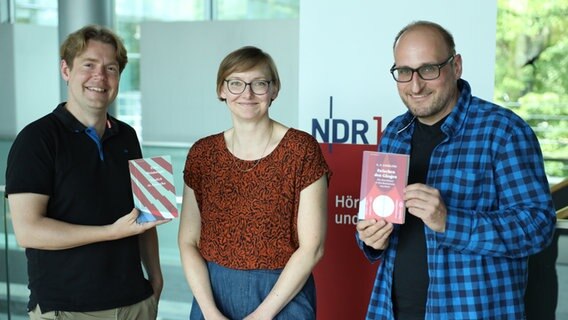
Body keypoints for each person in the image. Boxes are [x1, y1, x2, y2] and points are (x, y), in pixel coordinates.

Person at [356, 20, 556, 319]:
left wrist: (449, 221)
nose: (415, 85)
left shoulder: (503, 131)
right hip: (393, 309)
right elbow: (380, 226)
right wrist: (370, 238)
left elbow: (537, 227)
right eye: (404, 72)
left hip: (472, 311)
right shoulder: (395, 133)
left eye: (428, 69)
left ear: (456, 66)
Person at [5, 25, 168, 319]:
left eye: (111, 68)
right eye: (88, 65)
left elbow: (145, 216)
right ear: (66, 70)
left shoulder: (128, 136)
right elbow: (28, 231)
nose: (100, 77)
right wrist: (110, 233)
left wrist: (155, 279)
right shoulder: (37, 139)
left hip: (136, 302)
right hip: (69, 308)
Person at [178, 46, 331, 320]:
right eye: (236, 83)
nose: (247, 94)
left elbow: (313, 247)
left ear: (274, 90)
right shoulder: (203, 154)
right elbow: (188, 241)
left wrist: (263, 314)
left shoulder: (301, 150)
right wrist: (210, 312)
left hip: (283, 297)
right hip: (212, 295)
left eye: (259, 84)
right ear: (221, 90)